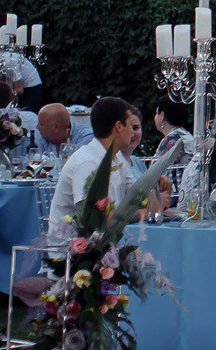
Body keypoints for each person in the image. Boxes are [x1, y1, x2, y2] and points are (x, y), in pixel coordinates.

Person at [47, 97, 161, 252]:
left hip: (105, 246)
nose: (132, 132)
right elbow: (96, 219)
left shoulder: (116, 156)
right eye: (130, 125)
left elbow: (139, 196)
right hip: (74, 259)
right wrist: (141, 212)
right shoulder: (87, 162)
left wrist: (156, 192)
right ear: (119, 126)